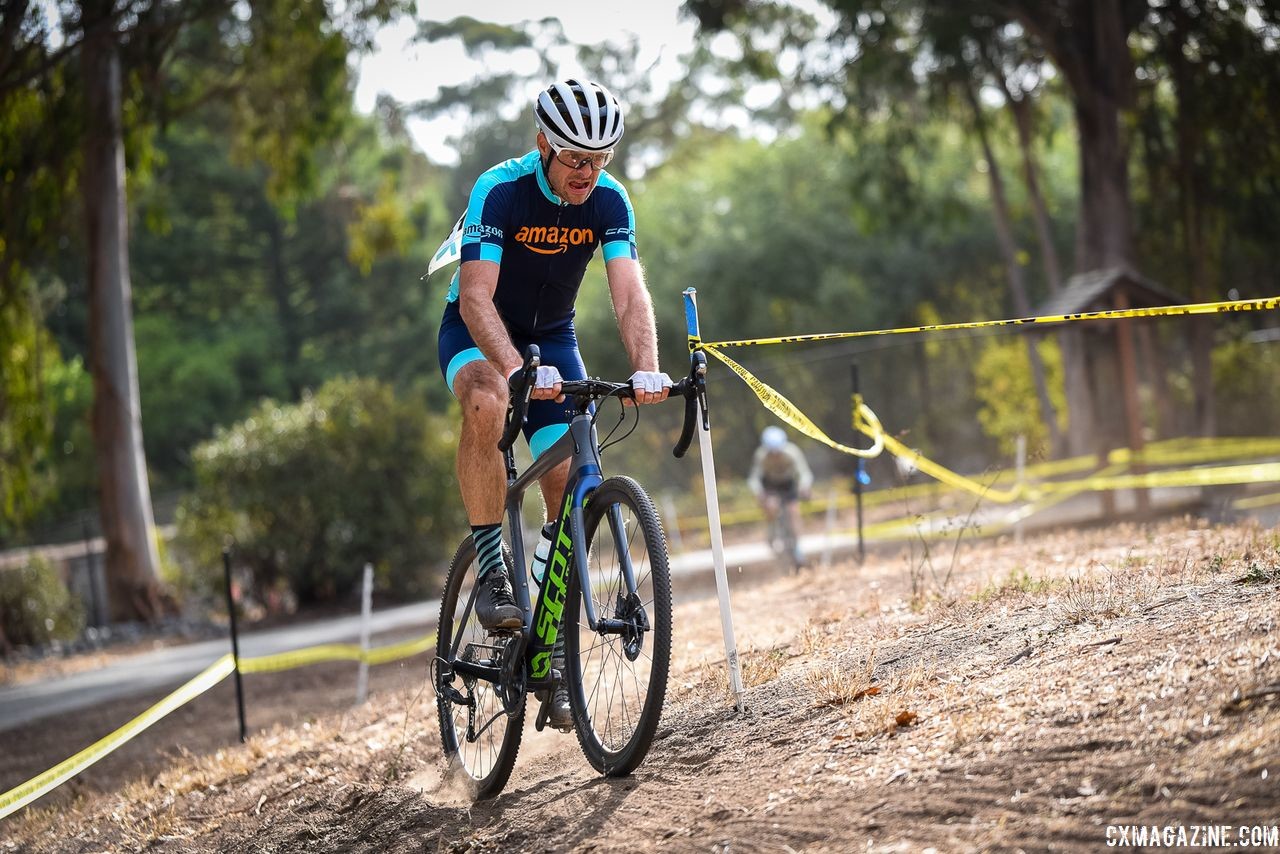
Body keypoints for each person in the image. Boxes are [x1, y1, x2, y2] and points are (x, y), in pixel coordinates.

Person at [435, 79, 671, 729]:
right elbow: (476, 298)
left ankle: (548, 638)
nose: (587, 173)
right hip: (478, 333)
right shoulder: (499, 190)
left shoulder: (610, 201)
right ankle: (490, 572)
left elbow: (628, 294)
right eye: (574, 159)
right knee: (485, 405)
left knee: (570, 477)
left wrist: (646, 369)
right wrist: (512, 370)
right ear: (543, 144)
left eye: (601, 159)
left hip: (554, 341)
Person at [748, 426, 813, 567]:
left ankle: (797, 546)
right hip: (770, 486)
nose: (775, 456)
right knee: (772, 507)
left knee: (794, 511)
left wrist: (804, 487)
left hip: (788, 485)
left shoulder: (792, 452)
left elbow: (804, 473)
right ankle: (771, 537)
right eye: (772, 453)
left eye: (778, 452)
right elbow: (754, 479)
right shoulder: (761, 455)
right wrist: (759, 493)